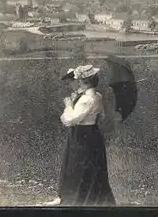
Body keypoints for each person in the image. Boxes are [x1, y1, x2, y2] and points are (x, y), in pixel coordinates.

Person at [45, 65, 116, 206]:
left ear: (83, 81)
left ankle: (74, 199)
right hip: (91, 134)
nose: (75, 82)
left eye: (77, 79)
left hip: (81, 135)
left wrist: (68, 105)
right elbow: (101, 116)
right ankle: (76, 197)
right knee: (85, 167)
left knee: (76, 167)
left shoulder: (87, 100)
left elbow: (70, 120)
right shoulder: (97, 96)